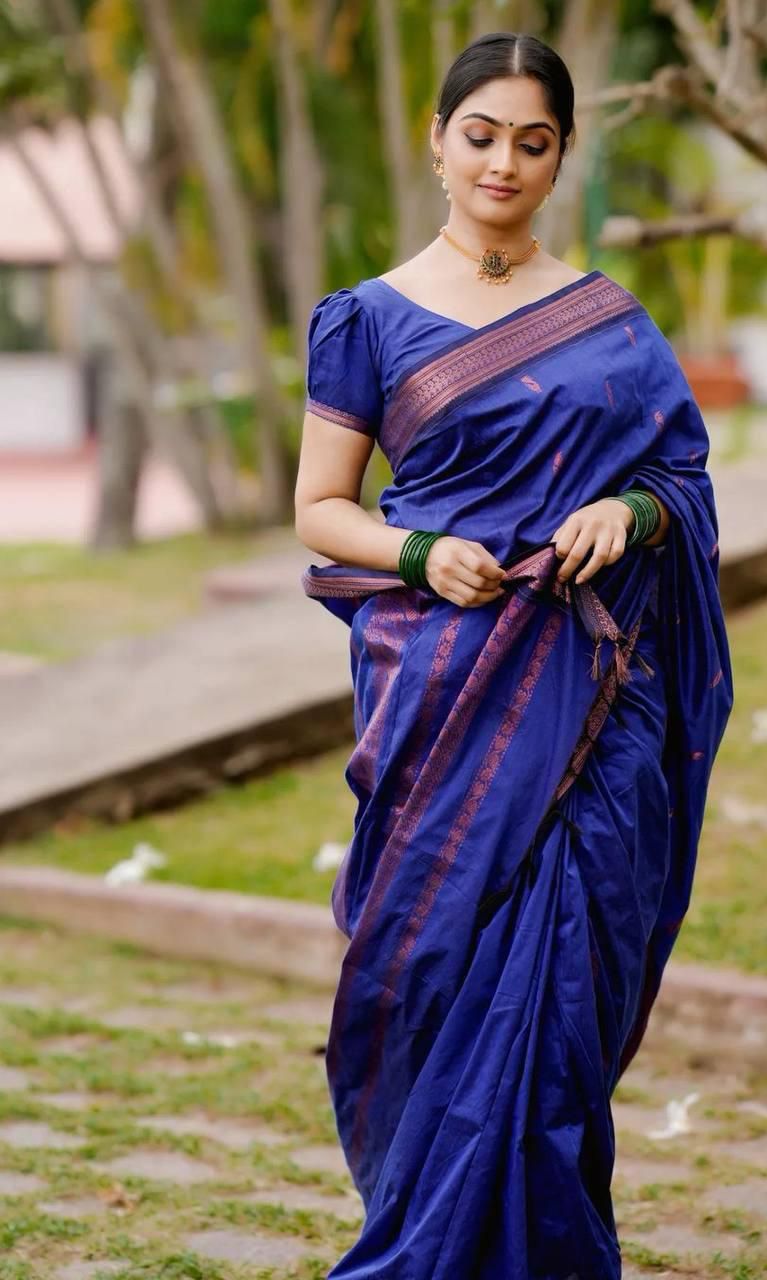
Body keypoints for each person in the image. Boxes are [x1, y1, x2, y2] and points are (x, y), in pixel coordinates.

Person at [293, 30, 733, 1280]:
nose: (502, 161)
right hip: (448, 687)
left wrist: (633, 513)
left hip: (596, 698)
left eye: (531, 142)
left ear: (559, 158)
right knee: (434, 973)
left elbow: (678, 474)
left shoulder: (606, 318)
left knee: (561, 1001)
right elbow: (321, 509)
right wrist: (422, 551)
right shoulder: (366, 319)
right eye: (479, 134)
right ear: (437, 143)